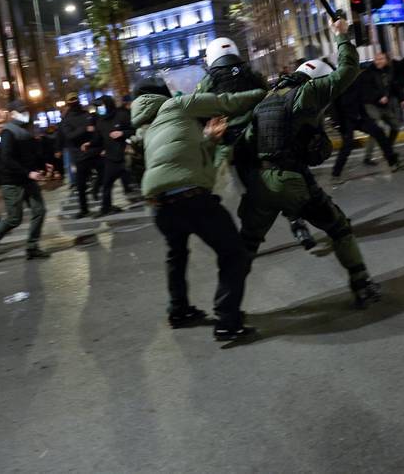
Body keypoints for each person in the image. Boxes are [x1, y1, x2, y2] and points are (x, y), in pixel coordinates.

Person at [238, 18, 382, 310]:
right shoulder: (311, 92)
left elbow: (246, 145)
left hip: (261, 185)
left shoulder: (267, 99)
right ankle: (362, 284)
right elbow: (348, 70)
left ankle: (228, 312)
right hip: (293, 181)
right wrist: (341, 36)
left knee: (245, 248)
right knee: (339, 227)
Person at [130, 76, 265, 342]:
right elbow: (227, 103)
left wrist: (210, 140)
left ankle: (179, 310)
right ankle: (227, 321)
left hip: (160, 206)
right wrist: (264, 91)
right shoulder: (177, 106)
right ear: (163, 94)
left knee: (176, 253)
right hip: (192, 199)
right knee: (234, 253)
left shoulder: (146, 130)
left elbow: (181, 156)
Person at [196, 37, 315, 250]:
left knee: (252, 191)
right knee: (278, 178)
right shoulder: (252, 74)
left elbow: (201, 109)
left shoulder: (208, 82)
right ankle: (297, 223)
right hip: (264, 136)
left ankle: (248, 242)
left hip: (237, 145)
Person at [0, 100, 51, 261]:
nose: (25, 114)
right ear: (12, 114)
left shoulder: (25, 130)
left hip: (27, 178)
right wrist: (28, 173)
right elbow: (6, 158)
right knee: (14, 218)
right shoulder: (8, 132)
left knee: (39, 210)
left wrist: (43, 164)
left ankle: (32, 247)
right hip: (12, 180)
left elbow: (31, 154)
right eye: (21, 111)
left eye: (26, 111)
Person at [92, 95, 135, 217]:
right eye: (98, 107)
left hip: (127, 155)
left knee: (139, 179)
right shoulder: (100, 121)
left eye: (101, 106)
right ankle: (106, 208)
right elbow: (98, 139)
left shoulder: (122, 115)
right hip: (111, 158)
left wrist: (122, 133)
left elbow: (134, 130)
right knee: (107, 184)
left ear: (108, 105)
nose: (99, 109)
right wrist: (89, 144)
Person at [60, 92, 99, 218]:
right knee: (81, 184)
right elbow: (69, 136)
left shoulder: (86, 114)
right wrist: (85, 129)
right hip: (79, 155)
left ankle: (101, 199)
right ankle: (84, 209)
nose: (74, 101)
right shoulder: (67, 119)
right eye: (71, 100)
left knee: (106, 173)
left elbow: (95, 130)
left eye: (75, 99)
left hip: (92, 151)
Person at [360, 52, 403, 164]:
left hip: (384, 105)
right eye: (376, 59)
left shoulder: (389, 70)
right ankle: (367, 158)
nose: (378, 61)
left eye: (381, 59)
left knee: (396, 126)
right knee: (377, 129)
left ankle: (387, 149)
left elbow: (394, 85)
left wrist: (403, 99)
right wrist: (378, 97)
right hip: (371, 105)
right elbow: (366, 90)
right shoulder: (368, 73)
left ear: (385, 60)